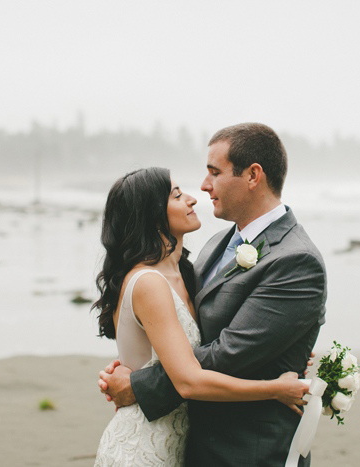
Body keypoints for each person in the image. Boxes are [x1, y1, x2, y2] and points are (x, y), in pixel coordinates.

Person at [99, 123, 327, 466]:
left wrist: (141, 384)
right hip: (194, 443)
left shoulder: (296, 260)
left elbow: (229, 353)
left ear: (253, 176)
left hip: (248, 450)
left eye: (214, 173)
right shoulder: (216, 244)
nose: (203, 187)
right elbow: (192, 333)